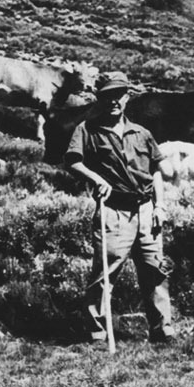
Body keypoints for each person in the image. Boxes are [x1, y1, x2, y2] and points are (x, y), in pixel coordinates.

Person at [65, 71, 175, 345]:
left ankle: (163, 331)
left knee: (155, 270)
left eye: (119, 95)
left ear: (127, 97)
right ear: (99, 98)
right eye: (108, 96)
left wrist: (160, 206)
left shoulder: (142, 133)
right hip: (113, 211)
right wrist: (97, 179)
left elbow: (157, 172)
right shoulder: (87, 130)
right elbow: (73, 162)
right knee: (106, 271)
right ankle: (97, 333)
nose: (114, 101)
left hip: (147, 211)